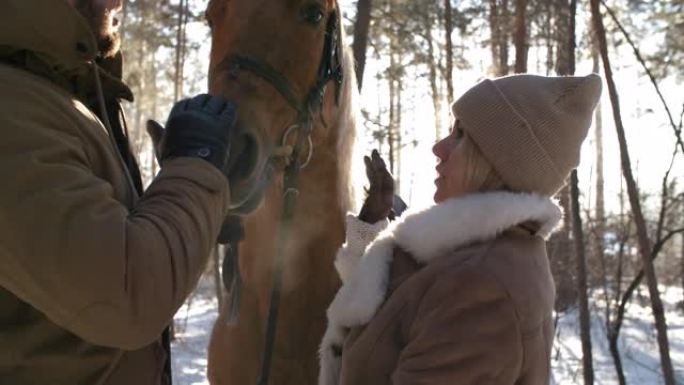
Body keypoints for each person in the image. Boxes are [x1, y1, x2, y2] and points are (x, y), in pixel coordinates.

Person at [0, 0, 252, 384]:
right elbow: (126, 296)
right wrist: (194, 162)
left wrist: (197, 202)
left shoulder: (55, 93)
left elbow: (104, 245)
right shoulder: (14, 105)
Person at [319, 74, 602, 385]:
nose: (439, 148)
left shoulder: (479, 283)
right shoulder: (476, 257)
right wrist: (371, 228)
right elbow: (393, 313)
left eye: (460, 135)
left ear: (495, 160)